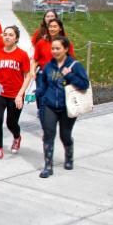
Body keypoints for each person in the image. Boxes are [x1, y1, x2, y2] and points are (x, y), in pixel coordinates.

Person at [35, 37, 90, 178]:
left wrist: (69, 75)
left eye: (57, 48)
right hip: (49, 106)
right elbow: (43, 85)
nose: (54, 51)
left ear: (66, 49)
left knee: (64, 135)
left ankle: (69, 155)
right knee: (48, 135)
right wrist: (38, 94)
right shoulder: (48, 66)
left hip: (68, 107)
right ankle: (48, 166)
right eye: (53, 48)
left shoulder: (75, 65)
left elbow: (84, 84)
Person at [0, 26, 30, 160]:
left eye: (11, 35)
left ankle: (17, 137)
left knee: (11, 123)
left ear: (16, 38)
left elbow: (28, 75)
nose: (7, 37)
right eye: (5, 34)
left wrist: (20, 95)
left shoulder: (22, 55)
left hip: (15, 95)